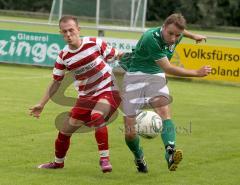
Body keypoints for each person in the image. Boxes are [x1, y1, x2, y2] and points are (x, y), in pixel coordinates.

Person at [120, 13, 211, 173]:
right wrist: (196, 73)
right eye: (170, 34)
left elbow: (180, 31)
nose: (173, 39)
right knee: (130, 131)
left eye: (177, 35)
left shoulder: (176, 34)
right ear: (163, 27)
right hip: (135, 76)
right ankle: (138, 156)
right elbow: (168, 68)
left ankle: (170, 151)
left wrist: (193, 35)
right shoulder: (151, 38)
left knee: (163, 111)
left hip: (155, 75)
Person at [29, 15, 121, 173]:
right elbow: (56, 81)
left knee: (97, 116)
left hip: (109, 90)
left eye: (71, 30)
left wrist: (133, 57)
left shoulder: (95, 43)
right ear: (61, 33)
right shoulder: (63, 56)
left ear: (78, 30)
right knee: (64, 131)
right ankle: (58, 163)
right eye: (64, 32)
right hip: (86, 97)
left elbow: (117, 55)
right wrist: (41, 104)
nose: (68, 34)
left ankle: (104, 159)